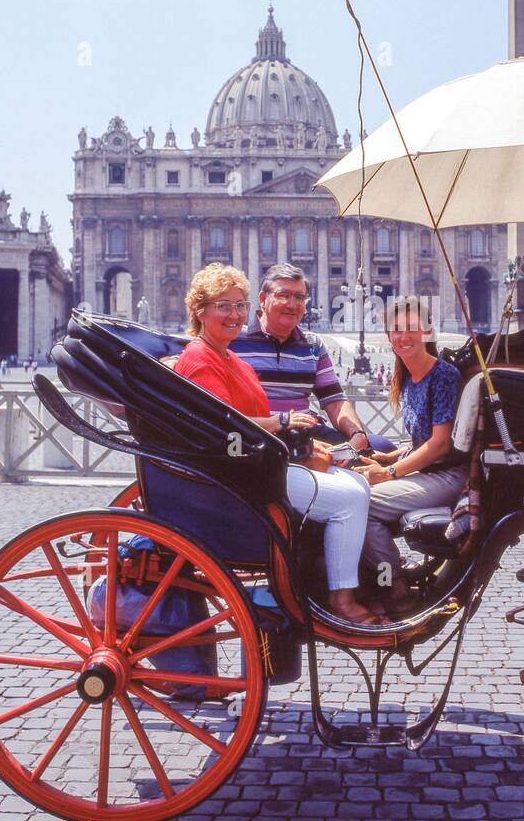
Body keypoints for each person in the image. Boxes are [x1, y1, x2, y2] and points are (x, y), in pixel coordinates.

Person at [173, 264, 380, 627]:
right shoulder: (204, 357)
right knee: (349, 498)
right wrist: (284, 424)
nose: (235, 315)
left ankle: (367, 571)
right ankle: (341, 598)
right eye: (224, 306)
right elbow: (222, 423)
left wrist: (313, 442)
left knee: (359, 478)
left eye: (239, 306)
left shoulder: (228, 356)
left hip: (264, 456)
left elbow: (326, 400)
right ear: (200, 310)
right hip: (241, 472)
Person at [355, 296, 469, 616]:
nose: (404, 336)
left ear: (428, 332)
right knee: (357, 485)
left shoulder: (443, 375)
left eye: (411, 328)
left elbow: (441, 445)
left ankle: (395, 588)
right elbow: (421, 440)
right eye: (396, 329)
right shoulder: (405, 376)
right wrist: (389, 459)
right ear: (388, 336)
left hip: (450, 475)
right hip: (432, 470)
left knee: (364, 503)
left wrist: (390, 474)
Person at [230, 263, 390, 452]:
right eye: (283, 295)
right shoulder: (233, 340)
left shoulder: (313, 344)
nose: (292, 304)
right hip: (255, 436)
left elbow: (334, 400)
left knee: (382, 447)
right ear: (263, 299)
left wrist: (357, 435)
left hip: (305, 433)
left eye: (299, 297)